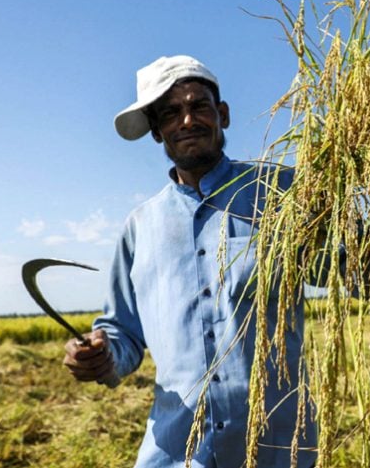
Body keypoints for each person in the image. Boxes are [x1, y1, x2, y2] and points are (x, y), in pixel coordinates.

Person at [62, 55, 318, 468]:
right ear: (156, 132)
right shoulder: (140, 228)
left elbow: (348, 270)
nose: (186, 121)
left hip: (277, 448)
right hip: (178, 453)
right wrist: (101, 354)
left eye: (198, 106)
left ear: (223, 115)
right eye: (170, 113)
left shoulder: (281, 192)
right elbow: (122, 334)